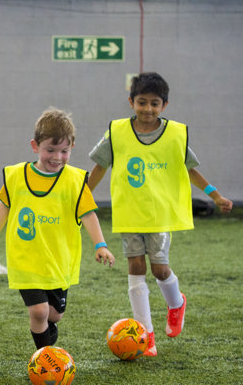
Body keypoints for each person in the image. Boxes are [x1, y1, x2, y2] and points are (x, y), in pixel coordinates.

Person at [87, 72, 233, 356]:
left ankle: (176, 303)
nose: (148, 109)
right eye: (142, 102)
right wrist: (82, 197)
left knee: (159, 269)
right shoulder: (116, 132)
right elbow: (99, 167)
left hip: (160, 214)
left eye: (154, 103)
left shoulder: (176, 134)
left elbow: (190, 169)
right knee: (135, 269)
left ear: (164, 105)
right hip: (129, 213)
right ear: (131, 102)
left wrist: (215, 194)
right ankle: (146, 335)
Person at [0, 107, 115, 350]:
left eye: (64, 151)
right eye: (50, 150)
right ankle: (45, 357)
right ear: (35, 146)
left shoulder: (75, 181)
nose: (57, 157)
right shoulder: (16, 176)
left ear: (71, 148)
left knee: (54, 314)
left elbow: (88, 214)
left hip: (57, 260)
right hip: (26, 259)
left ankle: (48, 328)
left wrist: (101, 245)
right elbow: (4, 206)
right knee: (39, 311)